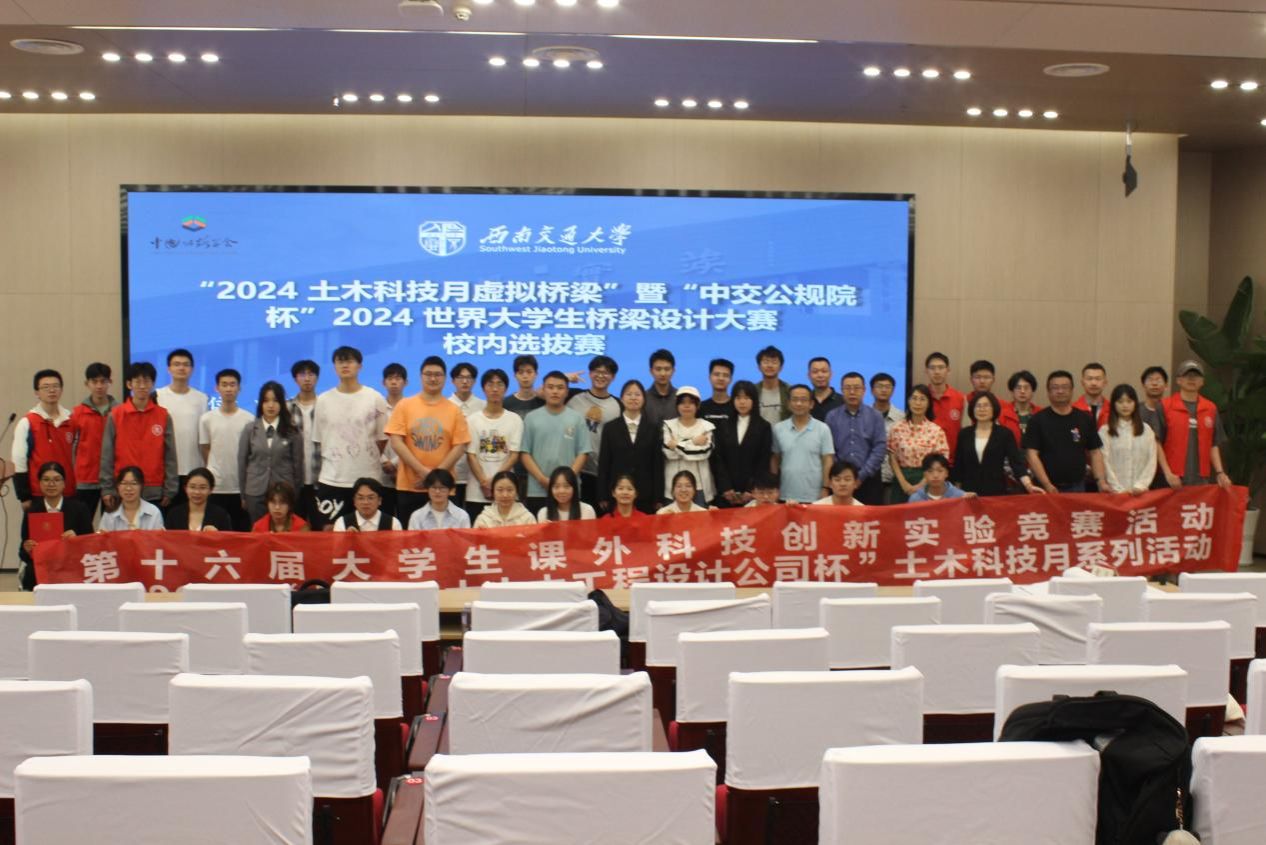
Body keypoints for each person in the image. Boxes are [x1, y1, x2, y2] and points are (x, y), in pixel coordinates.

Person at [387, 356, 471, 526]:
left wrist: (434, 478)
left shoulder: (454, 410)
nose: (433, 379)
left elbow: (460, 446)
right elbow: (396, 442)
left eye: (438, 375)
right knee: (411, 538)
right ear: (421, 376)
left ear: (445, 378)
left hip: (444, 487)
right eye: (428, 374)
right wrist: (424, 473)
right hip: (410, 485)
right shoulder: (404, 405)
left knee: (445, 537)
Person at [312, 346, 390, 530]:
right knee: (330, 534)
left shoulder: (375, 398)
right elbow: (320, 440)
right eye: (340, 361)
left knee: (369, 534)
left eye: (349, 361)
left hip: (368, 479)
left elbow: (382, 438)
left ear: (360, 366)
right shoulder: (323, 400)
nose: (345, 365)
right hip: (332, 479)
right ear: (334, 366)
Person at [99, 362, 178, 509]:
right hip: (123, 489)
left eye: (146, 381)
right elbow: (107, 455)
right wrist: (107, 488)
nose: (142, 386)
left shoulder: (163, 415)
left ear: (153, 384)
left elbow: (170, 455)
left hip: (154, 489)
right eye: (137, 381)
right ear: (129, 384)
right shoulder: (116, 415)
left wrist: (170, 489)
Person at [520, 371, 591, 515]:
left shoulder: (577, 418)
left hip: (569, 491)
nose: (555, 391)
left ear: (567, 392)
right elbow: (525, 453)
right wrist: (541, 479)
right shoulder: (531, 418)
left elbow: (583, 452)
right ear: (543, 390)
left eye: (560, 387)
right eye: (550, 387)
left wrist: (566, 481)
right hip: (538, 489)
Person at [1024, 370, 1106, 493]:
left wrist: (1101, 482)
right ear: (1048, 391)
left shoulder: (1084, 418)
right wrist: (1047, 484)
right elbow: (1031, 454)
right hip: (1045, 487)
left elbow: (1095, 452)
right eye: (1055, 387)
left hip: (1077, 486)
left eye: (1065, 387)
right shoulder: (1037, 420)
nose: (1060, 391)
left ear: (1072, 390)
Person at [19, 462, 93, 590]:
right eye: (46, 480)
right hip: (42, 568)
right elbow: (22, 553)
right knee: (31, 572)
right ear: (40, 483)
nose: (51, 484)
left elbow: (90, 545)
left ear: (64, 484)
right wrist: (27, 549)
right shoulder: (32, 511)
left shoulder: (79, 509)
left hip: (71, 565)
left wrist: (77, 539)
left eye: (57, 480)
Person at [238, 381, 304, 524]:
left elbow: (298, 466)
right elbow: (242, 463)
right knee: (259, 531)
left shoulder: (292, 431)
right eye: (266, 401)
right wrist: (243, 495)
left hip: (284, 492)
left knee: (282, 532)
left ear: (282, 403)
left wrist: (294, 493)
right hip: (255, 491)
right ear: (260, 404)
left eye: (275, 400)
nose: (271, 405)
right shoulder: (250, 429)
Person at [1161, 360, 1233, 489]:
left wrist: (1220, 472)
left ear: (1202, 382)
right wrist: (1167, 473)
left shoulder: (1210, 408)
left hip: (1201, 479)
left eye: (1196, 375)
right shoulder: (1165, 406)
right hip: (1172, 479)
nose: (1191, 379)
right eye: (1187, 375)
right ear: (1178, 380)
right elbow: (1156, 443)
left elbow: (1213, 443)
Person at [953, 392, 1041, 497]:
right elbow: (959, 465)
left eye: (986, 405)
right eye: (978, 406)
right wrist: (957, 492)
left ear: (994, 408)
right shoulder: (964, 434)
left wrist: (1028, 485)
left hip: (996, 492)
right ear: (972, 409)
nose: (982, 409)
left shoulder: (1004, 434)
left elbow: (1016, 463)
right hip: (969, 492)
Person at [198, 368, 254, 530]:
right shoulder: (207, 419)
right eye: (224, 385)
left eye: (232, 385)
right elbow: (205, 449)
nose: (228, 389)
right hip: (216, 486)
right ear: (217, 388)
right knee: (215, 532)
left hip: (240, 487)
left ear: (239, 388)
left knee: (240, 532)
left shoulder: (249, 419)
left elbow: (250, 454)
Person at [465, 368, 523, 523]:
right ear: (483, 388)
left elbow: (514, 455)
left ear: (506, 388)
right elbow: (471, 455)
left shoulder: (515, 419)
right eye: (490, 384)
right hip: (476, 492)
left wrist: (495, 483)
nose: (495, 389)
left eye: (500, 384)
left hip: (506, 493)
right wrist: (484, 482)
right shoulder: (472, 420)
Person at [13, 369, 77, 507]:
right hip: (38, 494)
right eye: (46, 387)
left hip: (67, 492)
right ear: (37, 392)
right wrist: (24, 496)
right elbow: (19, 461)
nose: (51, 390)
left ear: (61, 390)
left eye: (55, 386)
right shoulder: (27, 422)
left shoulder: (71, 420)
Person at [597, 379, 661, 515]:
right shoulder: (610, 428)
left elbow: (657, 465)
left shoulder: (653, 428)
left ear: (644, 399)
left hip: (645, 494)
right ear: (621, 399)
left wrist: (657, 497)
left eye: (637, 394)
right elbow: (604, 463)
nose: (633, 398)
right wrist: (603, 494)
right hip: (617, 493)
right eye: (629, 394)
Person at [566, 355, 621, 509]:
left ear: (613, 377)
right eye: (597, 371)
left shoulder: (619, 405)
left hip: (601, 474)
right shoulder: (573, 396)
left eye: (606, 373)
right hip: (574, 471)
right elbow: (541, 392)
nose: (601, 376)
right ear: (590, 373)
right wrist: (565, 378)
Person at [824, 373, 887, 504]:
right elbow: (829, 449)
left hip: (869, 479)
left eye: (856, 388)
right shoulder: (832, 416)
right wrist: (844, 475)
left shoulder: (875, 416)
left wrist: (861, 476)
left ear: (864, 390)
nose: (852, 392)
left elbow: (879, 448)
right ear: (842, 390)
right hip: (841, 481)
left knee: (870, 516)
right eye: (847, 388)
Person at [156, 349, 209, 504]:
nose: (181, 368)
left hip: (193, 468)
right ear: (169, 368)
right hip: (166, 470)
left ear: (192, 369)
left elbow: (204, 436)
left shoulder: (201, 398)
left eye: (186, 365)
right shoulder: (158, 396)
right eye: (177, 364)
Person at [714, 380, 773, 507]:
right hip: (726, 494)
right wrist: (726, 487)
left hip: (752, 494)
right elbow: (718, 458)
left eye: (746, 398)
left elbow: (763, 461)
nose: (742, 402)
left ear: (754, 400)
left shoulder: (764, 427)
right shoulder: (723, 425)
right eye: (738, 398)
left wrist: (751, 489)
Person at [772, 384, 835, 504]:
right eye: (795, 399)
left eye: (803, 400)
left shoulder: (823, 429)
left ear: (811, 404)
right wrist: (774, 487)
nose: (799, 403)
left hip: (815, 496)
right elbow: (775, 459)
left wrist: (826, 488)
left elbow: (828, 460)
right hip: (786, 494)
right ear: (788, 403)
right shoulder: (778, 429)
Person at [887, 384, 949, 503]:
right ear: (909, 401)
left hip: (928, 480)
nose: (918, 403)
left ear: (928, 403)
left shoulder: (936, 431)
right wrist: (904, 484)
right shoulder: (897, 428)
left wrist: (921, 485)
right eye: (914, 398)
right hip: (901, 480)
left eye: (922, 399)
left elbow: (941, 461)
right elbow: (892, 457)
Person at [70, 362, 117, 518]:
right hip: (85, 479)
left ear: (110, 382)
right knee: (82, 524)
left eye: (103, 381)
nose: (99, 386)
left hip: (113, 480)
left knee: (111, 526)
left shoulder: (119, 411)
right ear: (87, 384)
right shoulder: (77, 413)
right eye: (94, 381)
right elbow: (70, 447)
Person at [661, 386, 718, 504]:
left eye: (691, 402)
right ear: (677, 405)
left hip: (699, 486)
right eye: (682, 402)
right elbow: (668, 453)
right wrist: (694, 442)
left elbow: (703, 453)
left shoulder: (707, 426)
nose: (686, 406)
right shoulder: (668, 425)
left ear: (697, 405)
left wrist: (677, 444)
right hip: (673, 485)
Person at [1099, 384, 1157, 495]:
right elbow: (1104, 462)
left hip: (1140, 493)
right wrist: (1118, 489)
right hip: (1114, 493)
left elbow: (1152, 460)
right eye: (1120, 402)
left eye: (1129, 401)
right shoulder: (1105, 431)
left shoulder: (1146, 430)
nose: (1125, 405)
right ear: (1114, 404)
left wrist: (1141, 485)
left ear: (1135, 403)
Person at [447, 361, 485, 507]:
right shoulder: (445, 405)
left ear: (474, 381)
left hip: (476, 473)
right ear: (452, 381)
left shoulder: (483, 406)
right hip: (451, 471)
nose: (464, 381)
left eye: (469, 378)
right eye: (460, 377)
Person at [288, 359, 321, 521]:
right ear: (295, 379)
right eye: (302, 374)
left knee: (320, 526)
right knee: (295, 526)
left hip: (320, 478)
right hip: (294, 480)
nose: (307, 378)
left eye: (311, 374)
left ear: (317, 378)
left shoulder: (325, 406)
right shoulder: (287, 408)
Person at [1138, 365, 1179, 489]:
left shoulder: (1173, 410)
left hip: (1167, 470)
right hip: (1140, 469)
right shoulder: (1135, 411)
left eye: (1158, 380)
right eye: (1150, 380)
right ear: (1143, 385)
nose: (1154, 384)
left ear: (1166, 385)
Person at [924, 352, 965, 462]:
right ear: (926, 371)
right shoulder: (920, 399)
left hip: (954, 462)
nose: (937, 372)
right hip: (926, 463)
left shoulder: (960, 398)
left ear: (948, 370)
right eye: (932, 368)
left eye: (941, 367)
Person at [967, 360, 1021, 443]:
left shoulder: (1005, 406)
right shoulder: (963, 402)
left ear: (993, 379)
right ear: (971, 379)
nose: (982, 381)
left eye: (986, 377)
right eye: (977, 377)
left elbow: (1014, 437)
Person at [380, 362, 408, 517]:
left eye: (398, 378)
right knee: (384, 519)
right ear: (383, 382)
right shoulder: (377, 408)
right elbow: (371, 437)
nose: (394, 382)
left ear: (405, 382)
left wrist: (395, 463)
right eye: (390, 378)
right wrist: (384, 461)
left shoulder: (411, 407)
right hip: (380, 472)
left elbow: (412, 440)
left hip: (405, 471)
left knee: (404, 519)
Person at [164, 468, 233, 531]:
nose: (197, 492)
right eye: (192, 487)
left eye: (202, 487)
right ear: (185, 488)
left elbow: (228, 539)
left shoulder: (221, 515)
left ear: (211, 489)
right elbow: (167, 539)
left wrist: (217, 534)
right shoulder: (174, 514)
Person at [98, 466, 164, 531]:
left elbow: (159, 537)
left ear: (141, 486)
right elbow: (102, 537)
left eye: (134, 483)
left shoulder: (154, 512)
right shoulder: (110, 513)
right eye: (124, 483)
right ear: (118, 486)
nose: (128, 488)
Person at [870, 372, 903, 495]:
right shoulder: (864, 415)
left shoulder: (902, 418)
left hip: (894, 479)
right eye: (879, 386)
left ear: (893, 390)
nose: (884, 390)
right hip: (869, 478)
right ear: (872, 390)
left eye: (887, 386)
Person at [407, 468, 472, 530]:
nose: (437, 491)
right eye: (433, 487)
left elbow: (466, 538)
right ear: (427, 489)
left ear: (450, 490)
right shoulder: (417, 516)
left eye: (442, 488)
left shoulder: (462, 516)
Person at [334, 477, 403, 531]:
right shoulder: (342, 522)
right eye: (360, 498)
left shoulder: (393, 523)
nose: (365, 502)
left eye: (370, 498)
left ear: (379, 500)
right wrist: (346, 538)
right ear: (354, 501)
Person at [909, 453, 974, 502]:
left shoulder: (961, 496)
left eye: (940, 471)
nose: (935, 475)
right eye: (930, 471)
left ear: (947, 473)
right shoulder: (915, 499)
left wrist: (973, 501)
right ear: (924, 474)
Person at [643, 349, 679, 430]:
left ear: (673, 371)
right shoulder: (643, 398)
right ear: (651, 371)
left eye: (667, 369)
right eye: (658, 369)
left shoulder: (680, 397)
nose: (663, 373)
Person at [755, 345, 791, 424]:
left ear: (781, 367)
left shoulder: (789, 390)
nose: (770, 365)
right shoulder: (753, 390)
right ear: (759, 367)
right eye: (766, 362)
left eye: (774, 362)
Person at [699, 358, 737, 430]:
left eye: (725, 375)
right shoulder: (700, 408)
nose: (721, 378)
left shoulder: (737, 407)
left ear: (731, 379)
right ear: (709, 377)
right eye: (717, 374)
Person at [504, 354, 546, 419]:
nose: (525, 376)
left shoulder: (544, 402)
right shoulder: (505, 403)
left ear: (536, 374)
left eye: (529, 372)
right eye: (521, 372)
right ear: (515, 375)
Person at [1073, 362, 1111, 428]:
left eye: (1098, 379)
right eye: (1089, 379)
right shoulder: (1073, 409)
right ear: (1082, 382)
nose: (1093, 383)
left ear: (1105, 382)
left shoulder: (1113, 409)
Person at [1007, 370, 1042, 436]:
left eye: (1026, 388)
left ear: (1033, 391)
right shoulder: (1002, 414)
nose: (1022, 391)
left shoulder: (1041, 414)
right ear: (1012, 391)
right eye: (1018, 388)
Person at [809, 357, 843, 421]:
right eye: (815, 372)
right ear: (808, 375)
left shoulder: (843, 402)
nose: (820, 375)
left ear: (831, 374)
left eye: (824, 371)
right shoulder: (805, 401)